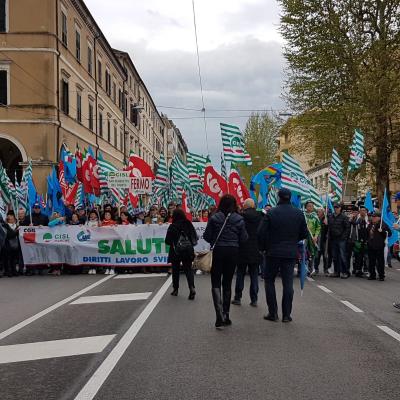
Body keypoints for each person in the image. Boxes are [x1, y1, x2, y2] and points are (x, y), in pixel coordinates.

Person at [258, 188, 308, 323]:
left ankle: (273, 313)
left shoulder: (271, 213)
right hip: (290, 252)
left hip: (272, 252)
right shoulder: (298, 213)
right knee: (288, 283)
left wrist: (263, 248)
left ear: (278, 197)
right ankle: (286, 315)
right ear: (290, 197)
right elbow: (304, 234)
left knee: (269, 281)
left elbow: (261, 232)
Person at [204, 194, 248, 329]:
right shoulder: (239, 219)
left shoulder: (214, 217)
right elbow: (244, 238)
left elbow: (206, 236)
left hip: (218, 251)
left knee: (216, 282)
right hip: (233, 251)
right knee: (227, 282)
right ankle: (226, 314)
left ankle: (219, 315)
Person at [232, 198, 263, 307]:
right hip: (256, 249)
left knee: (240, 273)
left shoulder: (240, 217)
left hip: (242, 248)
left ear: (245, 206)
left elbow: (236, 232)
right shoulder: (261, 216)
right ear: (254, 206)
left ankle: (238, 297)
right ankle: (254, 299)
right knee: (254, 275)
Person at [165, 209, 198, 299]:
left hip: (176, 251)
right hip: (187, 250)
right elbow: (194, 238)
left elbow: (167, 241)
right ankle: (192, 287)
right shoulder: (188, 224)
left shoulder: (172, 226)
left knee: (175, 270)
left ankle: (175, 290)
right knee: (188, 269)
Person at [367, 211, 391, 281]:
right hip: (371, 245)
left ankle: (381, 275)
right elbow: (367, 232)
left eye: (374, 217)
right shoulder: (371, 224)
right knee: (371, 261)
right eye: (372, 216)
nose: (373, 218)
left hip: (379, 246)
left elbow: (389, 234)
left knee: (380, 261)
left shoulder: (383, 224)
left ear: (379, 218)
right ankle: (372, 275)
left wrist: (382, 231)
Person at [328, 203, 350, 278]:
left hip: (341, 239)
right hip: (333, 239)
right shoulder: (331, 216)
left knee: (342, 256)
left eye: (337, 207)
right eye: (335, 207)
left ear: (340, 208)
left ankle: (345, 272)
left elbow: (347, 228)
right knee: (334, 256)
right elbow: (329, 227)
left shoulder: (344, 217)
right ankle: (336, 272)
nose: (336, 209)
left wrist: (344, 237)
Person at [304, 201, 321, 275]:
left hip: (312, 238)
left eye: (311, 206)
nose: (310, 207)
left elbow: (318, 227)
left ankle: (310, 269)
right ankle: (301, 269)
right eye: (308, 206)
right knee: (302, 252)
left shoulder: (315, 216)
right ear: (306, 207)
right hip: (304, 237)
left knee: (311, 253)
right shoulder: (303, 215)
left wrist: (316, 236)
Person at [1, 212, 20, 277]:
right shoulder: (5, 226)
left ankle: (14, 270)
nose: (11, 219)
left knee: (14, 259)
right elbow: (9, 235)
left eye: (12, 217)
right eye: (9, 218)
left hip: (16, 245)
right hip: (8, 245)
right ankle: (9, 271)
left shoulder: (17, 226)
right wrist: (16, 231)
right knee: (8, 259)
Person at [352, 206, 369, 277]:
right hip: (358, 241)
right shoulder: (357, 219)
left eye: (364, 210)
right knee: (358, 257)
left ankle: (366, 270)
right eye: (361, 210)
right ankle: (357, 270)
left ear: (366, 212)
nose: (362, 211)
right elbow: (353, 226)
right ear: (359, 212)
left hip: (366, 241)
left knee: (366, 257)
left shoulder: (368, 219)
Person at [314, 208, 328, 275]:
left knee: (325, 256)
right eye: (317, 212)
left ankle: (326, 270)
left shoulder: (326, 219)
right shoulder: (316, 219)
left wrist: (327, 223)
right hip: (317, 240)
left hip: (324, 240)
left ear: (323, 213)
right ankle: (316, 269)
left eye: (319, 212)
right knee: (317, 256)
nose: (318, 213)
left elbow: (328, 229)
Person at [347, 206, 360, 275]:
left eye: (356, 212)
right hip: (349, 240)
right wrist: (349, 220)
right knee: (348, 256)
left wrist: (352, 220)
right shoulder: (348, 218)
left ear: (358, 212)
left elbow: (357, 224)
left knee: (357, 256)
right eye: (353, 212)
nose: (354, 213)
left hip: (357, 240)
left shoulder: (360, 219)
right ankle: (347, 270)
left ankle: (356, 269)